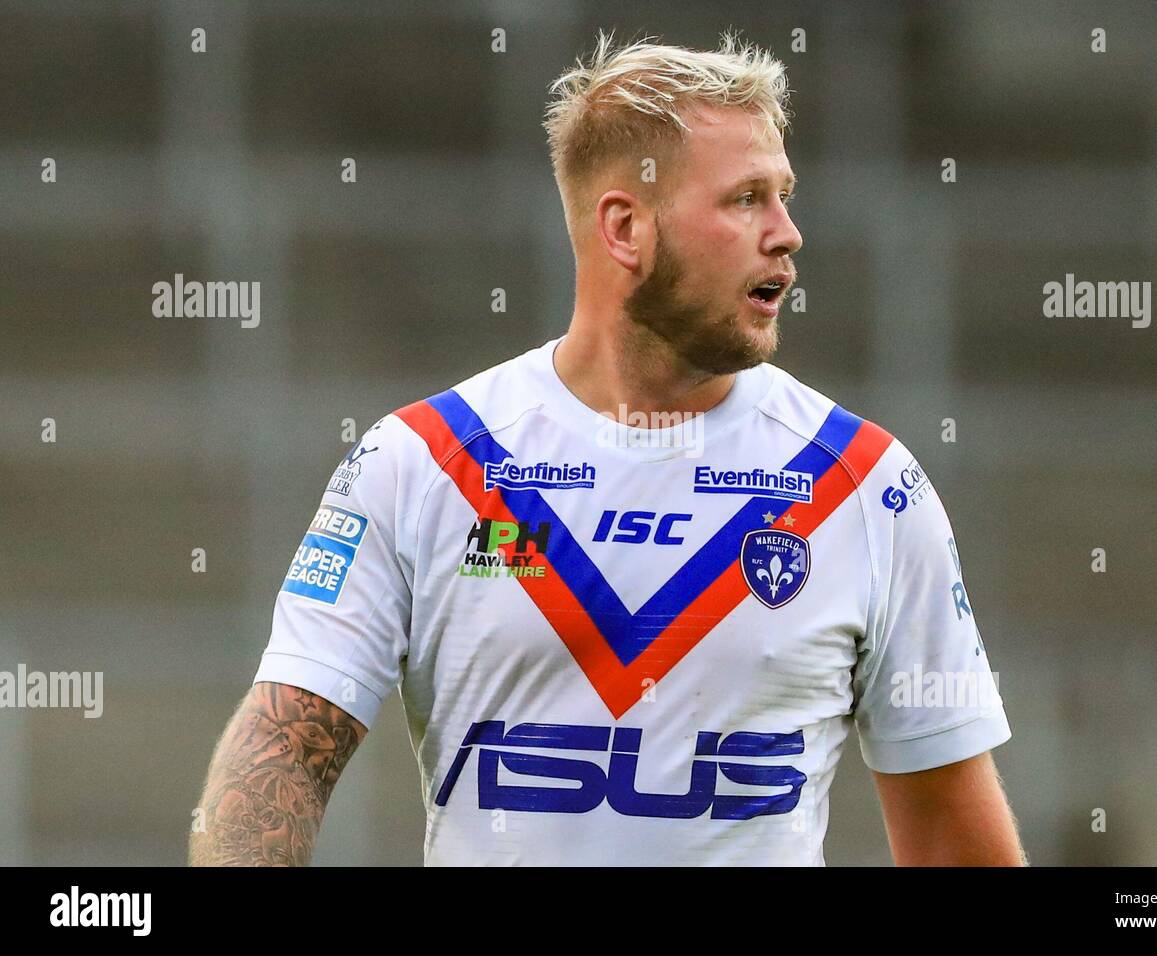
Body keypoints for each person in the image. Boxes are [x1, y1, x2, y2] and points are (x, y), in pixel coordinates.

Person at [190, 31, 1024, 866]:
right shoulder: (421, 463)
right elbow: (283, 756)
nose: (788, 233)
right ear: (626, 228)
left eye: (784, 195)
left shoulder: (868, 487)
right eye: (745, 200)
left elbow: (956, 834)